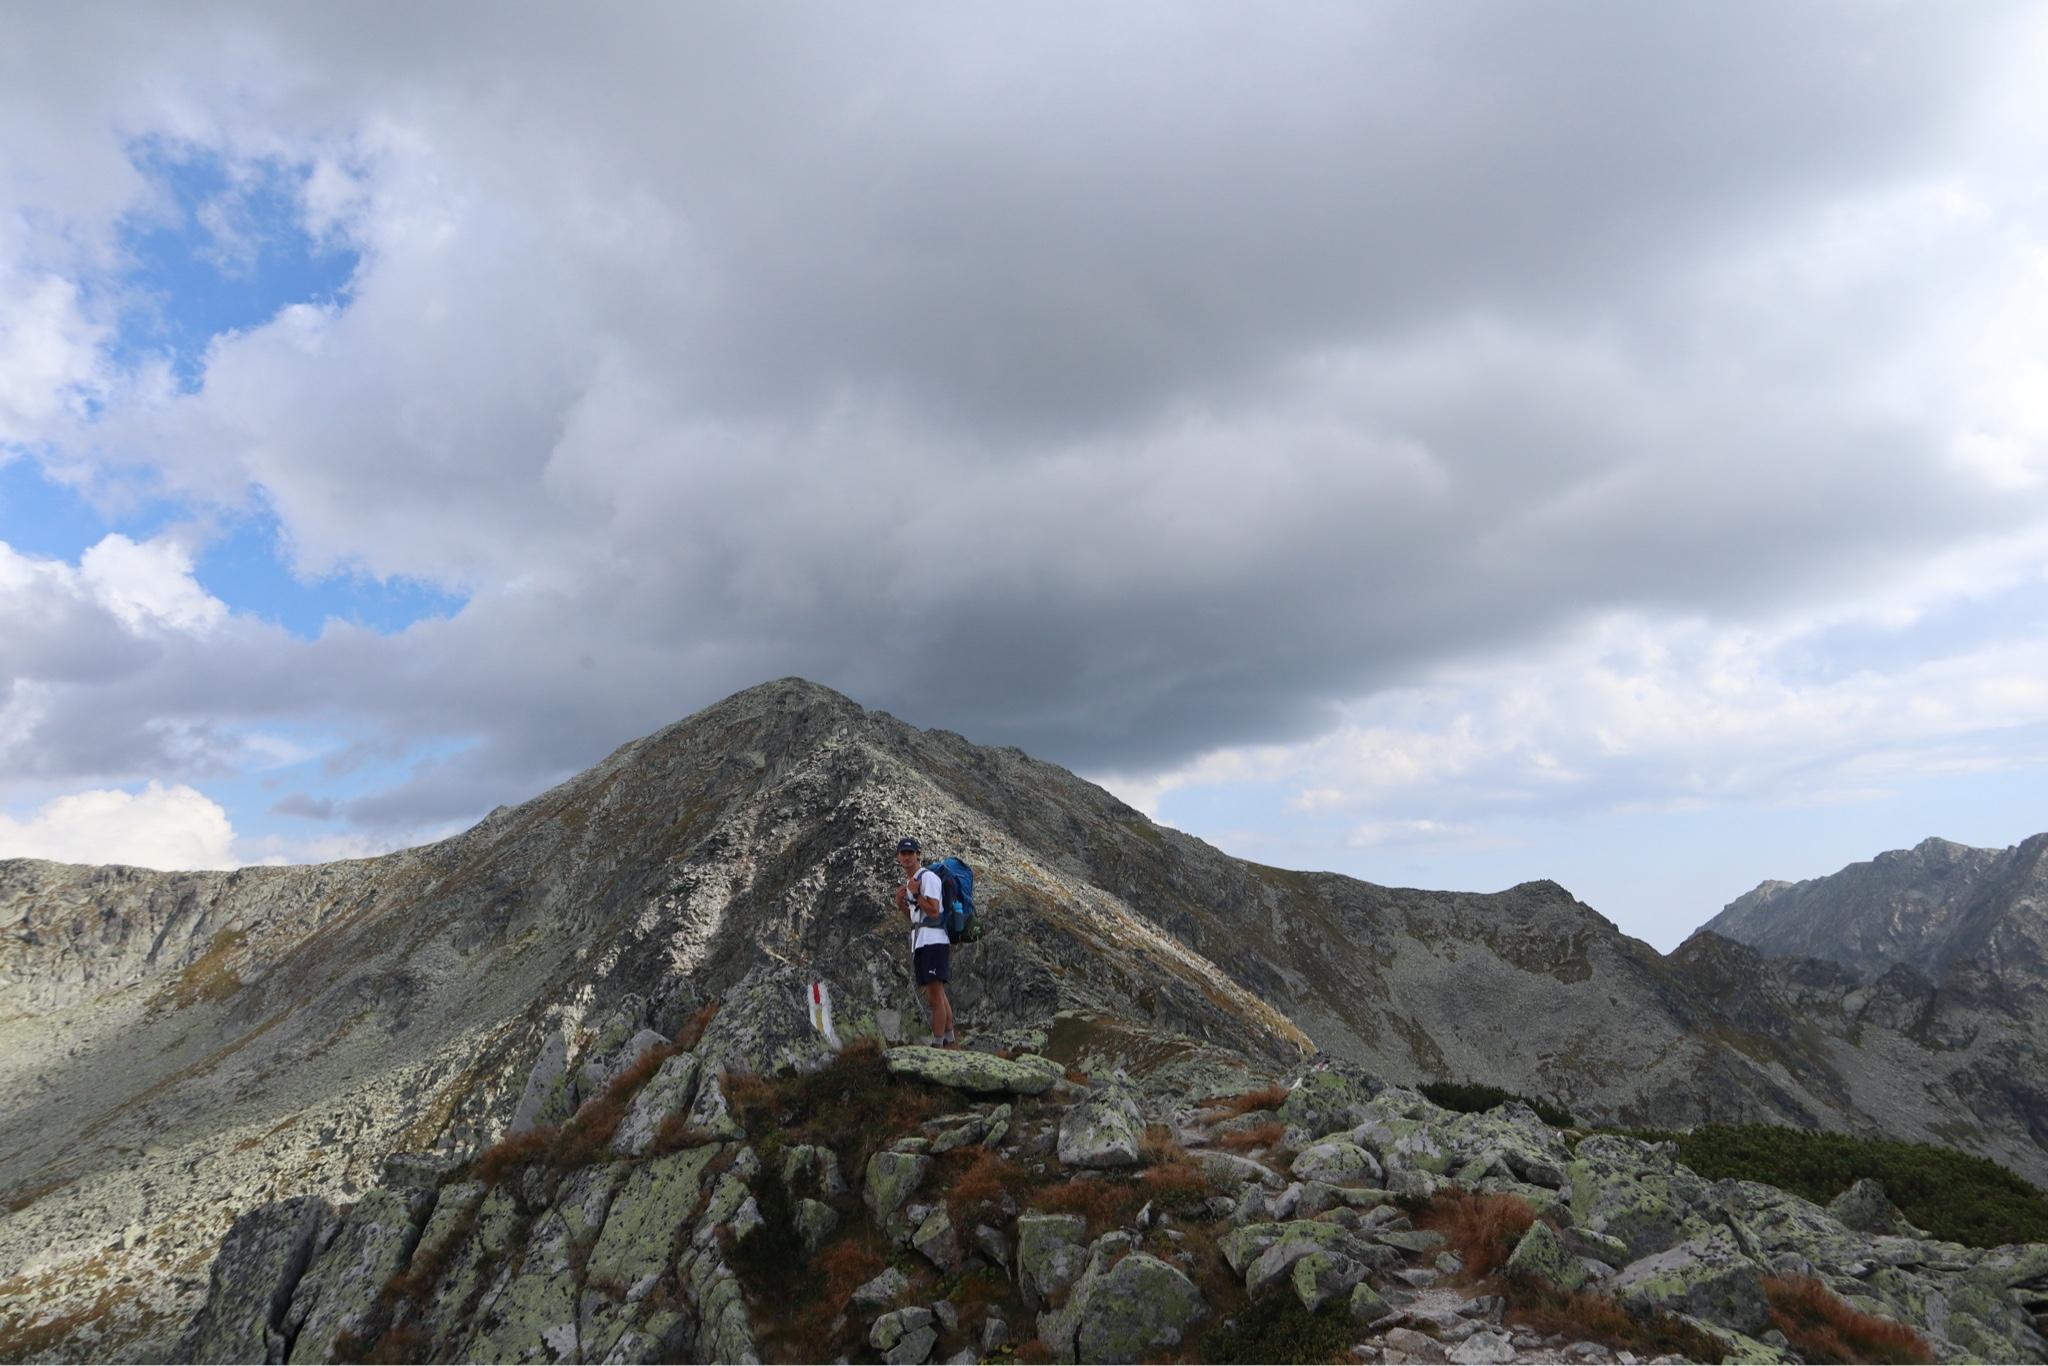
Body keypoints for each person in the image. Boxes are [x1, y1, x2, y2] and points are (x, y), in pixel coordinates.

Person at [892, 836, 955, 1047]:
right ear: (898, 857)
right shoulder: (912, 883)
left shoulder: (928, 878)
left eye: (911, 853)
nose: (907, 857)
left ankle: (937, 1045)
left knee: (934, 998)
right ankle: (950, 1040)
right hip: (921, 942)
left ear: (918, 855)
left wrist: (916, 894)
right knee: (939, 994)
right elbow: (915, 918)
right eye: (903, 853)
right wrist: (901, 903)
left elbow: (934, 911)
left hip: (934, 941)